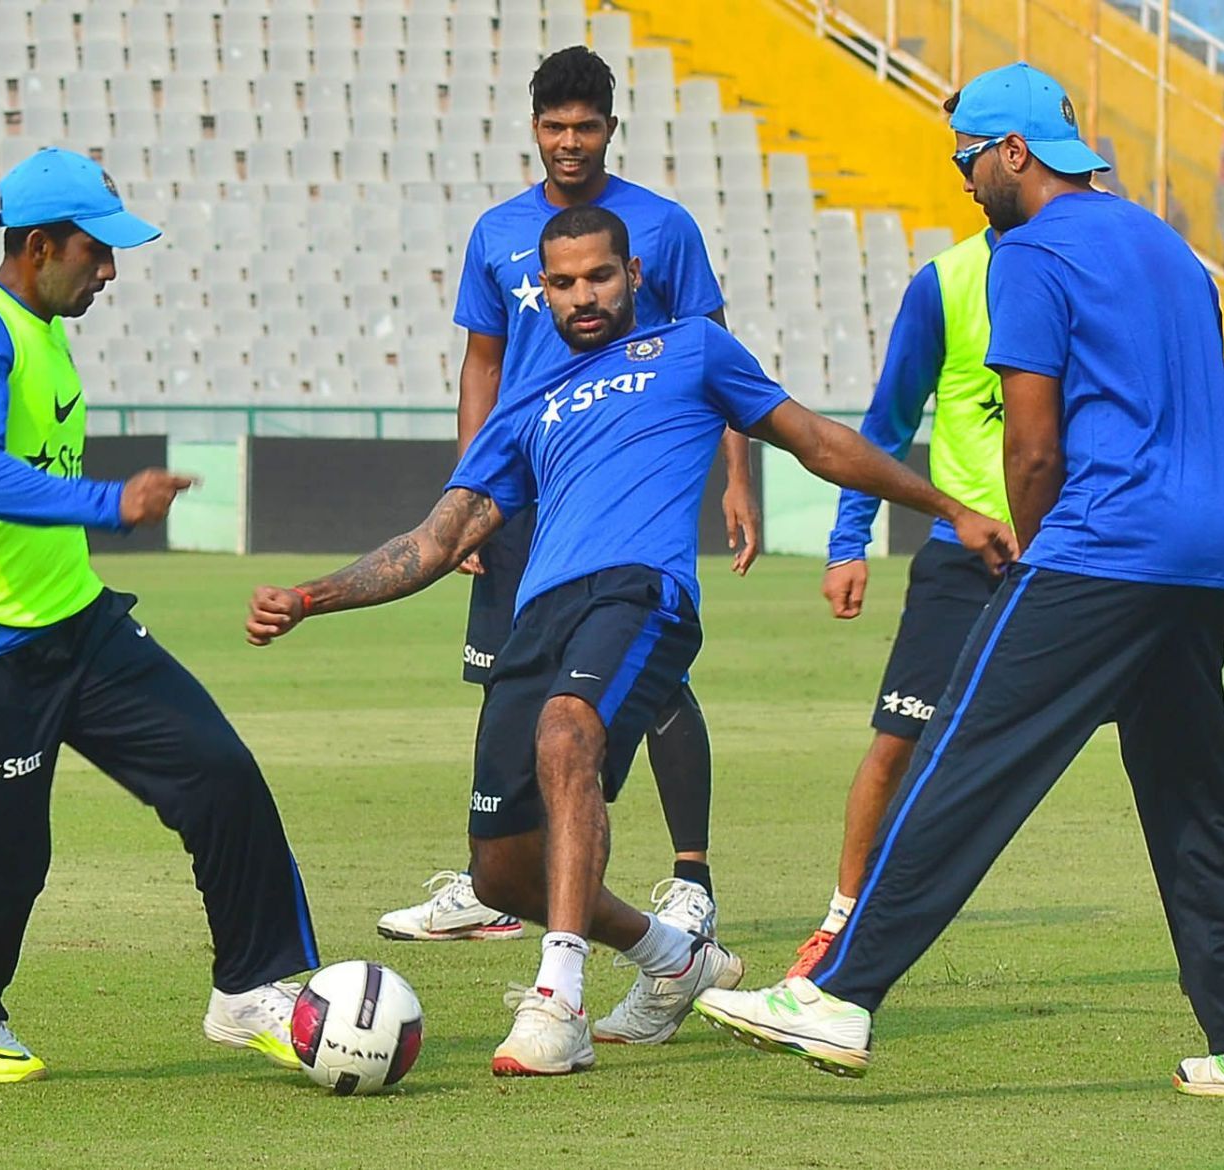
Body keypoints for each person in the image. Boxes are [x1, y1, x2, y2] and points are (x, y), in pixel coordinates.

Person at [245, 206, 1013, 1078]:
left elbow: (819, 442)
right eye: (562, 284)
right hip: (538, 616)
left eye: (598, 277)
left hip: (641, 591)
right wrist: (313, 596)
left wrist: (949, 509)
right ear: (542, 292)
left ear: (632, 274)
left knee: (568, 730)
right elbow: (436, 540)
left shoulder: (696, 350)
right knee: (500, 875)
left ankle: (557, 1003)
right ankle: (674, 958)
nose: (582, 296)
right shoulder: (525, 404)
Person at [695, 63, 1224, 1100]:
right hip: (1207, 557)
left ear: (1014, 154)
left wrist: (1040, 552)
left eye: (967, 158)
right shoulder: (1168, 246)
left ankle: (839, 995)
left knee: (962, 759)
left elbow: (1032, 448)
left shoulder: (1028, 257)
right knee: (1189, 794)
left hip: (1100, 545)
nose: (962, 179)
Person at [0, 148, 319, 1084]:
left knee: (219, 771)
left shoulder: (46, 327)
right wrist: (108, 503)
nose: (112, 271)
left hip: (77, 625)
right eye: (97, 252)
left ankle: (257, 986)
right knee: (3, 861)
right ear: (39, 246)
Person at [378, 46, 755, 1037]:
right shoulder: (497, 233)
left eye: (587, 127)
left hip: (619, 474)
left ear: (610, 130)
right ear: (534, 130)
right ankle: (503, 876)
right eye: (556, 128)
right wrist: (465, 492)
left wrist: (736, 479)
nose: (571, 143)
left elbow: (713, 349)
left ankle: (687, 881)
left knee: (634, 687)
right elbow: (482, 360)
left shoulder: (659, 228)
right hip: (518, 480)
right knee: (521, 686)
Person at [786, 99, 1008, 983]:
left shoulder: (1097, 271)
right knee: (897, 741)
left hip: (1079, 558)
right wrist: (850, 539)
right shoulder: (948, 282)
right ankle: (841, 924)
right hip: (968, 556)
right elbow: (887, 421)